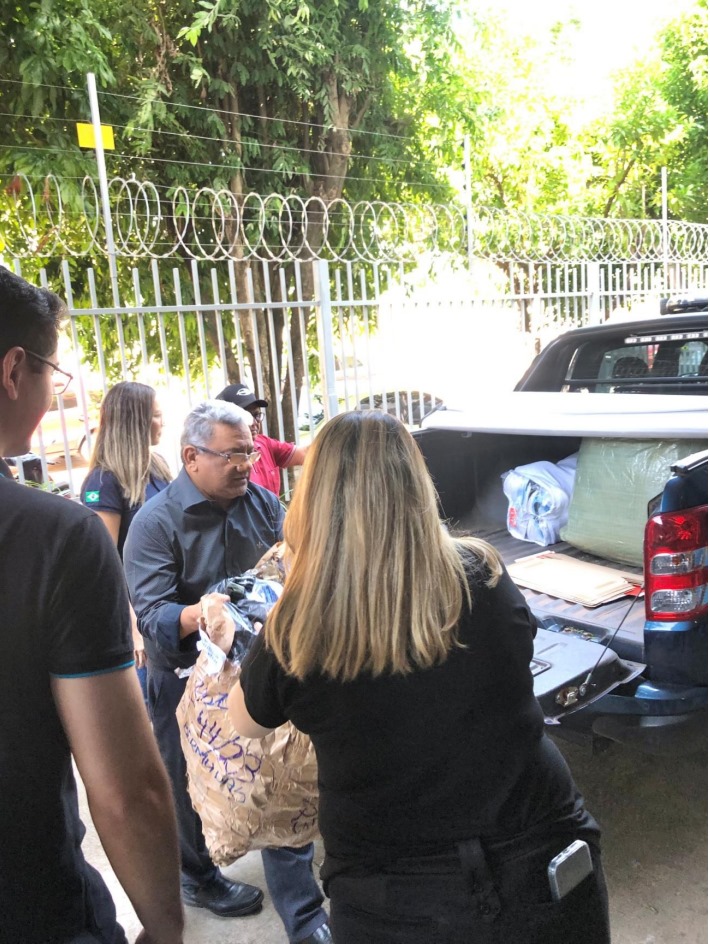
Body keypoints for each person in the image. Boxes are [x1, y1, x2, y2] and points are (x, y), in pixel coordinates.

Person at [228, 410, 612, 944]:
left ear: (313, 498)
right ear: (416, 481)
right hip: (538, 854)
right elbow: (515, 657)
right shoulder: (483, 573)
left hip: (392, 893)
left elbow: (245, 721)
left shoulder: (297, 625)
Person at [0, 266, 184, 944]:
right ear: (13, 371)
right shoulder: (54, 537)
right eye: (52, 370)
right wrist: (165, 928)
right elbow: (126, 791)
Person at [123, 399, 331, 944]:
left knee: (279, 776)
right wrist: (204, 614)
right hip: (184, 677)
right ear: (191, 457)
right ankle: (198, 877)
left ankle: (305, 916)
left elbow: (293, 564)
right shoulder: (154, 523)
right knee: (187, 781)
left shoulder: (262, 503)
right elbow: (152, 615)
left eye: (250, 453)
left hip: (259, 667)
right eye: (232, 455)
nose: (245, 465)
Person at [80, 382, 173, 699]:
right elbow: (104, 563)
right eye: (156, 415)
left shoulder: (157, 466)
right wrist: (132, 628)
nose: (163, 422)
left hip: (168, 610)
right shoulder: (103, 481)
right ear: (136, 422)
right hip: (140, 623)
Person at [216, 383, 308, 496]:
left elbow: (306, 454)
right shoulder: (221, 457)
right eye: (246, 416)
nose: (254, 422)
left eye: (257, 415)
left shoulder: (264, 443)